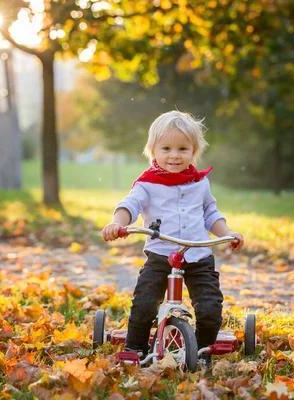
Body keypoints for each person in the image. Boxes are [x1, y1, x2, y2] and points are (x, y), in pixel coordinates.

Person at [102, 110, 244, 365]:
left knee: (210, 307)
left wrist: (227, 234)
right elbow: (130, 205)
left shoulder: (199, 183)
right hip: (160, 255)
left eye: (182, 148)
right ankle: (134, 349)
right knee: (144, 303)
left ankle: (201, 351)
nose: (174, 155)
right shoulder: (147, 184)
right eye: (166, 148)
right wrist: (117, 224)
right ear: (152, 150)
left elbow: (210, 212)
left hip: (198, 255)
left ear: (194, 151)